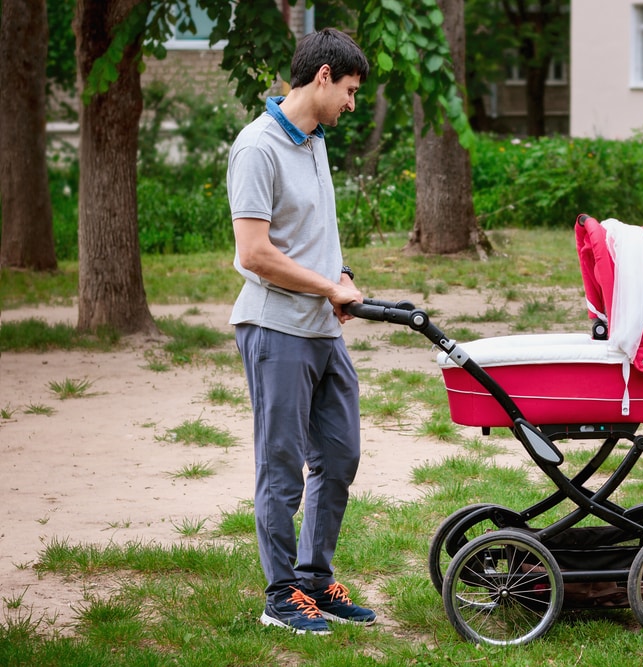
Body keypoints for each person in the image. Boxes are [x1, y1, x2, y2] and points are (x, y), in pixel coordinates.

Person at [226, 27, 375, 634]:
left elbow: (310, 237)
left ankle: (315, 580)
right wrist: (325, 287)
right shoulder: (257, 148)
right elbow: (255, 253)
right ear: (321, 77)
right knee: (282, 467)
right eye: (349, 90)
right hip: (275, 328)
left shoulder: (313, 140)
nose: (352, 103)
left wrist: (338, 275)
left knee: (339, 454)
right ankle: (281, 596)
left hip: (321, 330)